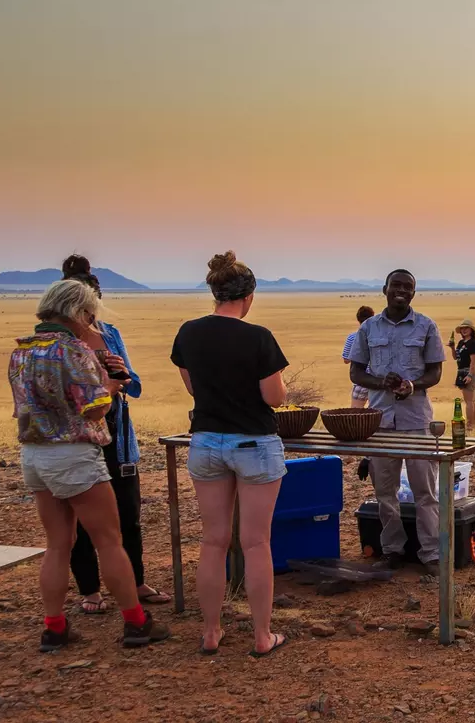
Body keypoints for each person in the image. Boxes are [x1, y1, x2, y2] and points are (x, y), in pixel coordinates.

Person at [9, 280, 169, 652]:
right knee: (109, 540)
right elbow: (93, 408)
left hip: (35, 454)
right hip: (74, 453)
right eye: (90, 315)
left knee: (57, 544)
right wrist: (111, 385)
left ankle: (55, 628)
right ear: (79, 313)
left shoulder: (23, 350)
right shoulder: (73, 349)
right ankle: (135, 622)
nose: (92, 323)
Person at [170, 251, 290, 657]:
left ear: (214, 291)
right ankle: (261, 636)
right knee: (255, 543)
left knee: (213, 541)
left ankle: (210, 631)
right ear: (249, 295)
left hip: (206, 442)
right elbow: (273, 397)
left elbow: (192, 389)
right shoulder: (258, 337)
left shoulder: (188, 333)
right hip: (254, 444)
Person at [59, 256, 170, 614]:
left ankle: (135, 581)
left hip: (118, 438)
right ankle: (90, 589)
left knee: (128, 513)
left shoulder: (111, 335)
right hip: (79, 439)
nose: (93, 311)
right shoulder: (58, 343)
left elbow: (133, 385)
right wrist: (104, 387)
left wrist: (121, 378)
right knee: (79, 520)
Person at [348, 270, 445, 575]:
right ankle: (392, 550)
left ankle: (431, 553)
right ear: (385, 289)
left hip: (416, 422)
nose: (401, 290)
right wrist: (381, 383)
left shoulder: (426, 326)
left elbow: (435, 373)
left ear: (414, 293)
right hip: (379, 424)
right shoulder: (368, 328)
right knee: (385, 493)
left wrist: (412, 386)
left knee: (425, 492)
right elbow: (356, 372)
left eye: (408, 287)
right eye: (396, 285)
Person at [448, 318, 475, 430]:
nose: (464, 330)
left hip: (468, 372)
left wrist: (470, 375)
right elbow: (455, 357)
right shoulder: (461, 343)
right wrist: (452, 347)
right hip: (461, 371)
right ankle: (472, 425)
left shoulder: (472, 344)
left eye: (466, 328)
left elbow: (473, 362)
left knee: (469, 401)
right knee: (470, 400)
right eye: (462, 328)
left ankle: (470, 425)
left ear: (471, 330)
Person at [343, 305, 377, 408]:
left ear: (358, 319)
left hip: (361, 380)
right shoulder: (379, 337)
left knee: (356, 413)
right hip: (378, 380)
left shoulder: (352, 337)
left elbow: (346, 359)